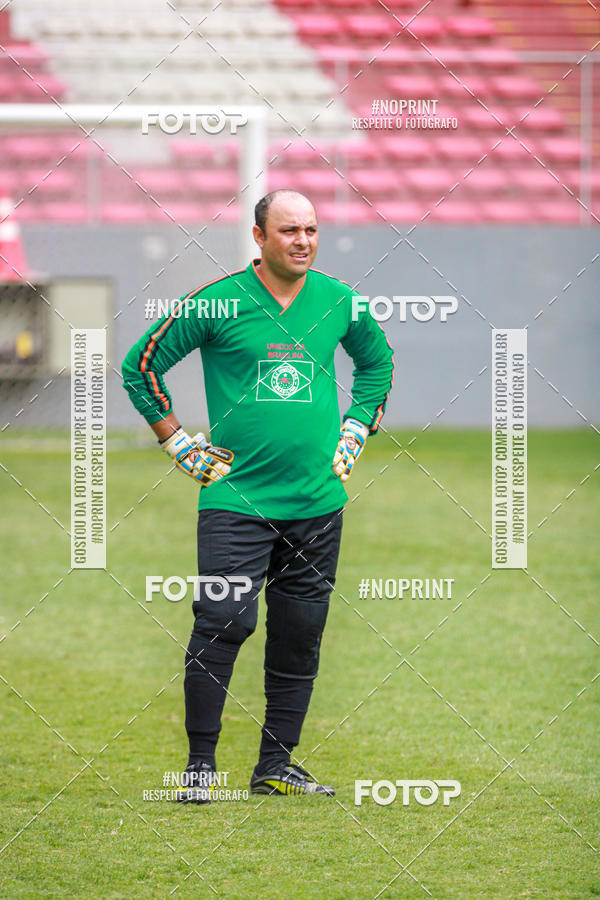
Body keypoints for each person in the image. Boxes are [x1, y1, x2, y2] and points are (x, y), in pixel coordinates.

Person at [122, 190, 394, 801]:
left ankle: (276, 766)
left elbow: (376, 365)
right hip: (234, 501)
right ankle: (199, 769)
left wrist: (358, 425)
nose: (303, 240)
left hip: (318, 505)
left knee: (300, 633)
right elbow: (139, 364)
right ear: (259, 236)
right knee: (222, 621)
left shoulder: (339, 301)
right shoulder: (218, 301)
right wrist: (175, 441)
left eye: (312, 230)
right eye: (290, 230)